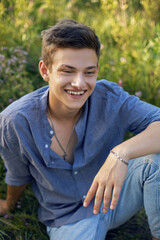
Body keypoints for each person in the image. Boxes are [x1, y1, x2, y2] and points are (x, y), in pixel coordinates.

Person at [0, 19, 160, 240]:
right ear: (45, 71)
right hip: (69, 219)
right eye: (68, 71)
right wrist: (8, 205)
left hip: (116, 197)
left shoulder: (110, 97)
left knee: (155, 161)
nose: (79, 83)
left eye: (89, 72)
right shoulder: (15, 121)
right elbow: (18, 173)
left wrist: (120, 154)